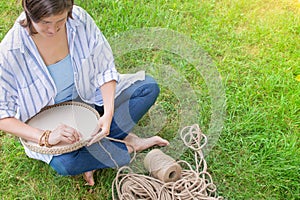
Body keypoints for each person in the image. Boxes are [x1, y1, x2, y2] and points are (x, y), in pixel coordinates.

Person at [0, 0, 169, 186]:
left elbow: (104, 68)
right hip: (53, 124)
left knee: (147, 87)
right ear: (29, 13)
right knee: (66, 164)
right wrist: (46, 136)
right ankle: (128, 146)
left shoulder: (79, 19)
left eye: (60, 21)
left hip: (89, 98)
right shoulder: (10, 51)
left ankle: (99, 147)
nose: (53, 30)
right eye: (45, 23)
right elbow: (2, 114)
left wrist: (108, 113)